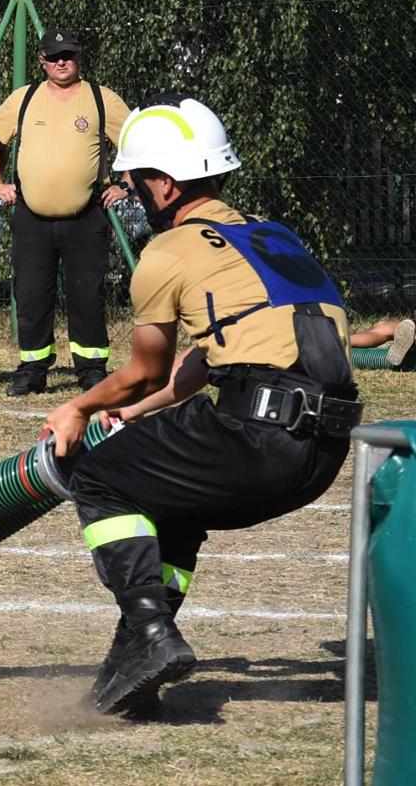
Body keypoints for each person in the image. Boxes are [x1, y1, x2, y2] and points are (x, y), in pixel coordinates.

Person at [43, 96, 362, 717]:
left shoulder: (168, 254)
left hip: (258, 438)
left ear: (163, 184)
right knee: (173, 500)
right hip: (322, 452)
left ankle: (153, 634)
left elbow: (145, 370)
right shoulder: (273, 236)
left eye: (135, 185)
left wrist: (79, 408)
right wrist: (137, 416)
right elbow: (206, 360)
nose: (131, 197)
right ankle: (133, 661)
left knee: (101, 478)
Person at [0, 29, 132, 395]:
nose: (62, 61)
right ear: (42, 61)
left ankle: (92, 371)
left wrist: (126, 184)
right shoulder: (24, 98)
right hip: (32, 219)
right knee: (31, 296)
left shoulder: (101, 99)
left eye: (69, 55)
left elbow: (138, 138)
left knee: (87, 297)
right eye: (54, 56)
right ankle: (32, 371)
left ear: (79, 58)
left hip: (86, 218)